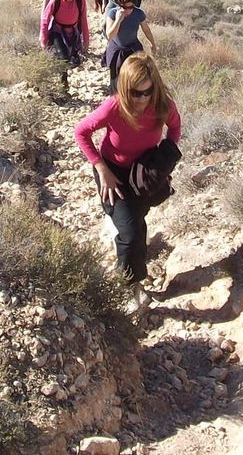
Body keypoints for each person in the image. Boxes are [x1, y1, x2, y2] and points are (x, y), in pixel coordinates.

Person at [73, 53, 182, 300]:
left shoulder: (162, 104)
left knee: (137, 222)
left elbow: (174, 126)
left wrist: (165, 159)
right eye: (136, 93)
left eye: (147, 91)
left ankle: (128, 257)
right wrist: (102, 170)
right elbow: (81, 133)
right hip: (114, 172)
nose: (142, 99)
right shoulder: (114, 106)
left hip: (144, 171)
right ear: (125, 88)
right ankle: (130, 287)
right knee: (131, 232)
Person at [101, 0, 154, 95]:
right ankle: (115, 101)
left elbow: (146, 29)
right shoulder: (113, 13)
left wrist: (153, 43)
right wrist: (118, 20)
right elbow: (110, 35)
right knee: (115, 80)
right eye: (124, 7)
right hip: (117, 49)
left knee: (134, 78)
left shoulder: (138, 14)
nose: (127, 10)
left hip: (132, 48)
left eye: (130, 7)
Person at [40, 0, 89, 66]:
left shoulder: (80, 0)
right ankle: (63, 78)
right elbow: (45, 19)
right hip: (57, 31)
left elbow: (83, 20)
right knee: (63, 57)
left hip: (73, 32)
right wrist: (43, 39)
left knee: (76, 62)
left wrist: (86, 41)